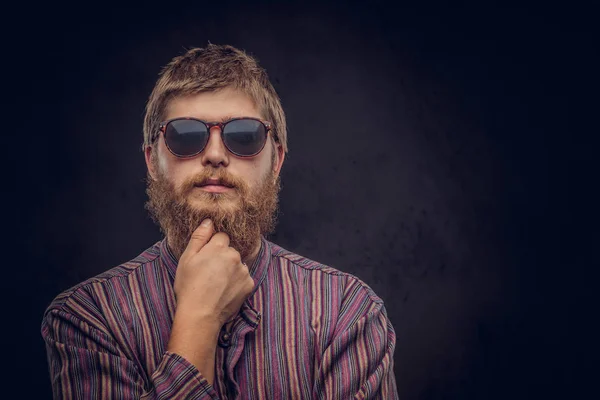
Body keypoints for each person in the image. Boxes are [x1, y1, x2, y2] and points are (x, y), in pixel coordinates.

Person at [41, 44, 399, 399]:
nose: (214, 155)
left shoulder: (347, 313)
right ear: (152, 162)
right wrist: (199, 317)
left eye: (244, 135)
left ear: (276, 162)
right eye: (185, 136)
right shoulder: (88, 318)